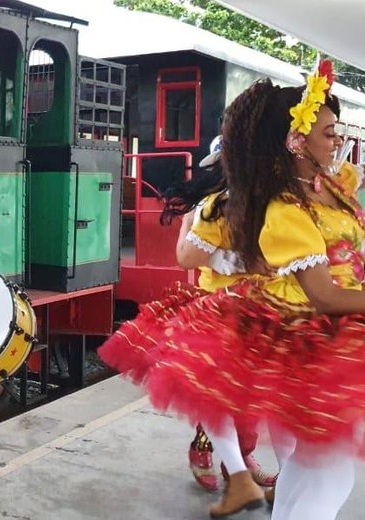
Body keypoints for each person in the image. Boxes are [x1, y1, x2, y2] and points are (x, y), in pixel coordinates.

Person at [101, 60, 365, 520]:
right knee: (221, 402)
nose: (338, 140)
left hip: (288, 314)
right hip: (235, 307)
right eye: (328, 131)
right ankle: (237, 474)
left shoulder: (319, 189)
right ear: (292, 141)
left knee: (296, 442)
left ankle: (253, 477)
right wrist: (248, 261)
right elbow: (188, 257)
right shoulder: (223, 204)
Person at [161, 138, 277, 495]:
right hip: (220, 311)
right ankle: (214, 452)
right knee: (221, 393)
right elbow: (186, 258)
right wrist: (189, 221)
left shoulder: (266, 204)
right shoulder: (209, 208)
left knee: (250, 395)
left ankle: (240, 458)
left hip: (260, 312)